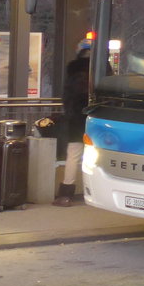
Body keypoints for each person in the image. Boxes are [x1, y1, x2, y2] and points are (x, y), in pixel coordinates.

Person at [55, 39, 91, 207]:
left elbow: (69, 99)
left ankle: (66, 193)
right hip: (98, 122)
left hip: (76, 121)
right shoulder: (103, 71)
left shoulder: (73, 71)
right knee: (95, 158)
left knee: (73, 156)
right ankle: (93, 190)